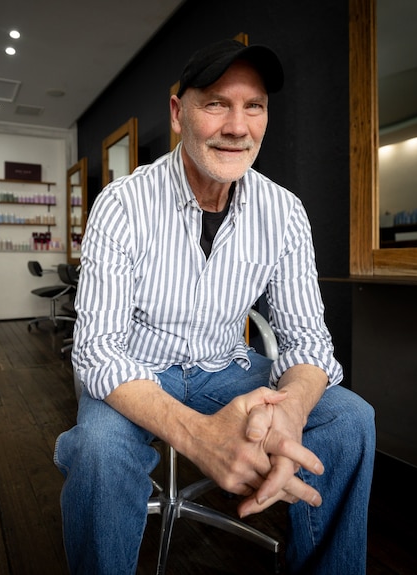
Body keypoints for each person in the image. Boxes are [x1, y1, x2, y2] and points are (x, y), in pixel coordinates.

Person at [54, 38, 376, 574]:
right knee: (98, 450)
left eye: (254, 106)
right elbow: (97, 351)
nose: (238, 126)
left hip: (228, 367)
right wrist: (201, 437)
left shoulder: (284, 212)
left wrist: (290, 410)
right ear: (179, 113)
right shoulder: (122, 204)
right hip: (138, 371)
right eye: (216, 104)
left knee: (348, 419)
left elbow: (308, 342)